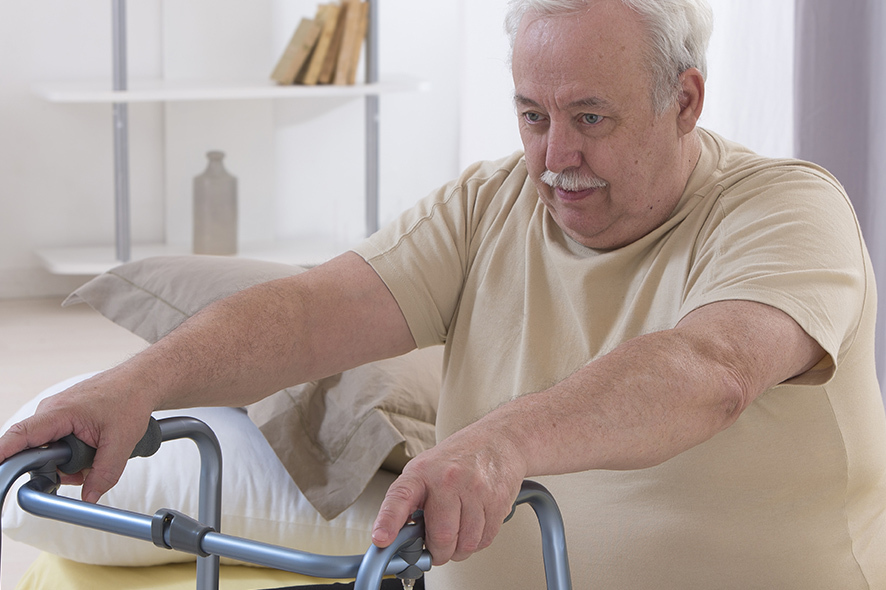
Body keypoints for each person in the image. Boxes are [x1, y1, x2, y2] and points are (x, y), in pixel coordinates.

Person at [3, 0, 886, 587]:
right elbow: (315, 308)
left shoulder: (786, 209)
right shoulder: (489, 201)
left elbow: (712, 367)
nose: (554, 159)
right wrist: (136, 385)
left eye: (591, 118)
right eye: (532, 117)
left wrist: (502, 443)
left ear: (685, 101)